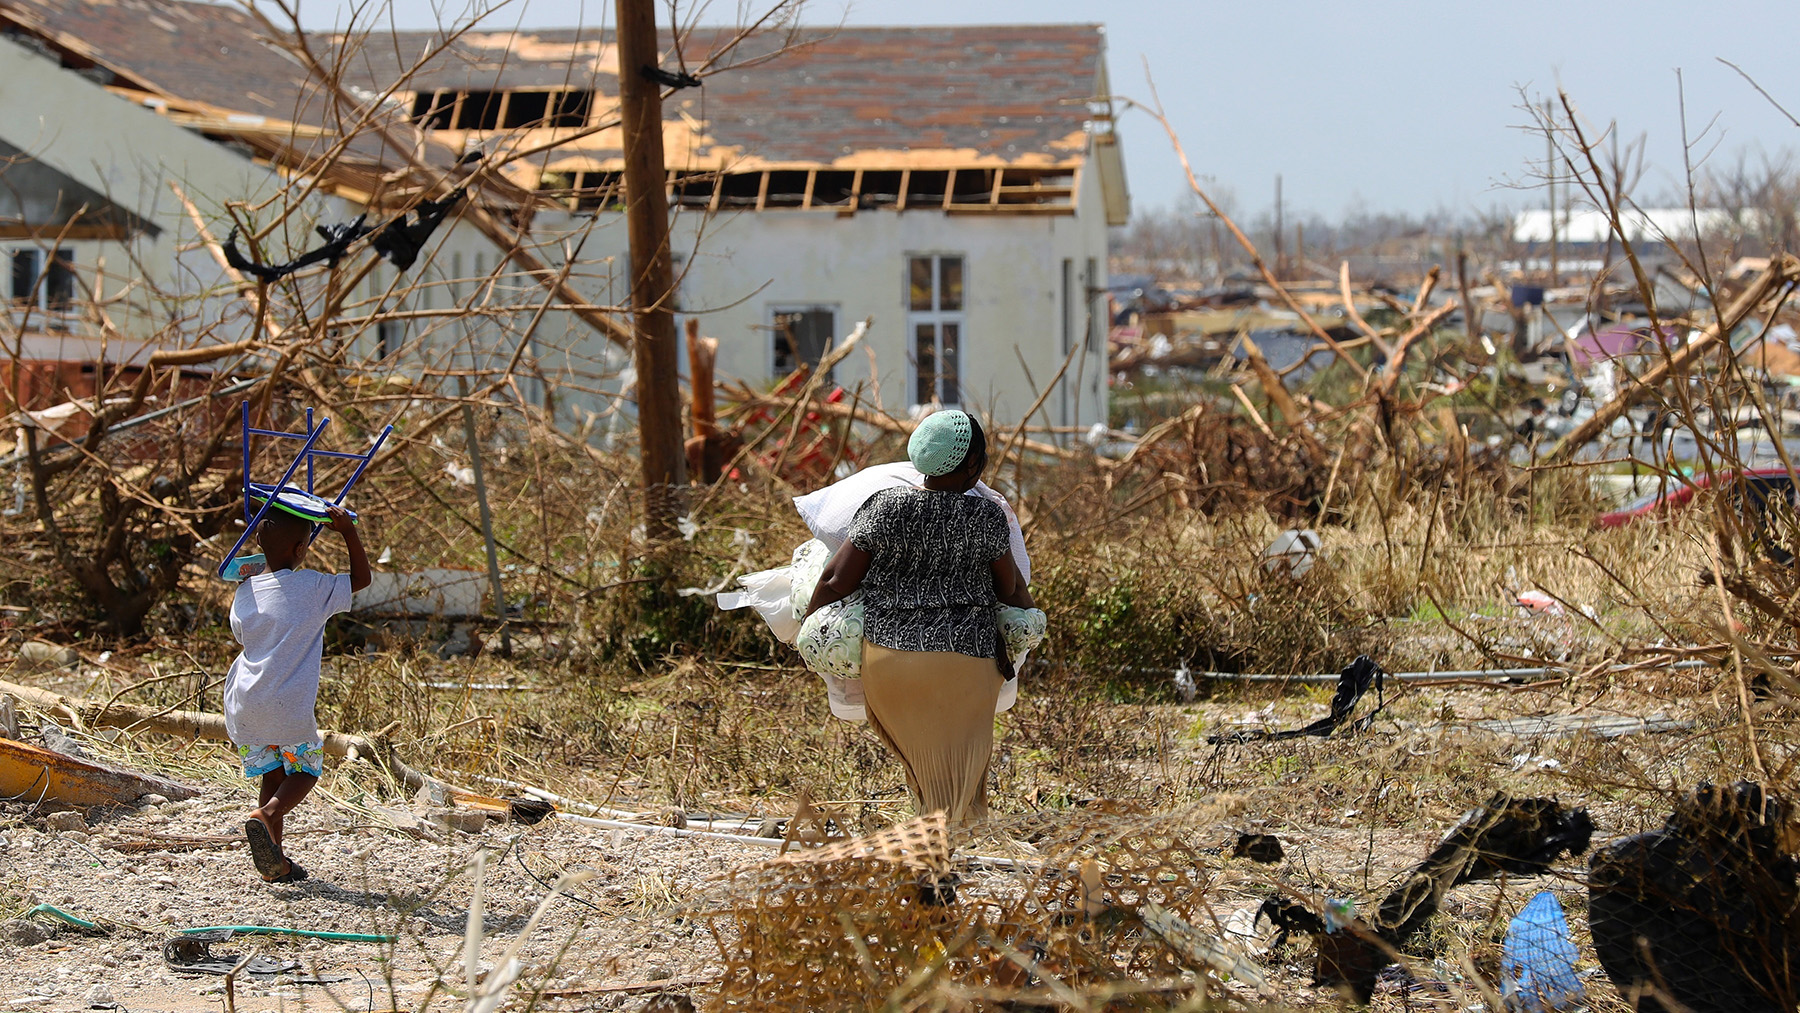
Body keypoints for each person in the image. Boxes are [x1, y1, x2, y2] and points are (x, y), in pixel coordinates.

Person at [804, 410, 1035, 823]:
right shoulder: (986, 516)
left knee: (919, 763)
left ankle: (929, 841)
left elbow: (836, 580)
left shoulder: (886, 506)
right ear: (971, 465)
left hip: (891, 661)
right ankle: (951, 843)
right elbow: (1009, 590)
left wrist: (809, 626)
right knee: (961, 773)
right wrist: (1028, 618)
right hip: (968, 661)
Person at [223, 501, 370, 882]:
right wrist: (349, 533)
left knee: (272, 776)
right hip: (286, 703)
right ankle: (266, 816)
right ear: (302, 549)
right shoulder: (313, 586)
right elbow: (361, 579)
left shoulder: (245, 592)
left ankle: (276, 863)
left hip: (246, 702)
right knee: (306, 768)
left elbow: (241, 634)